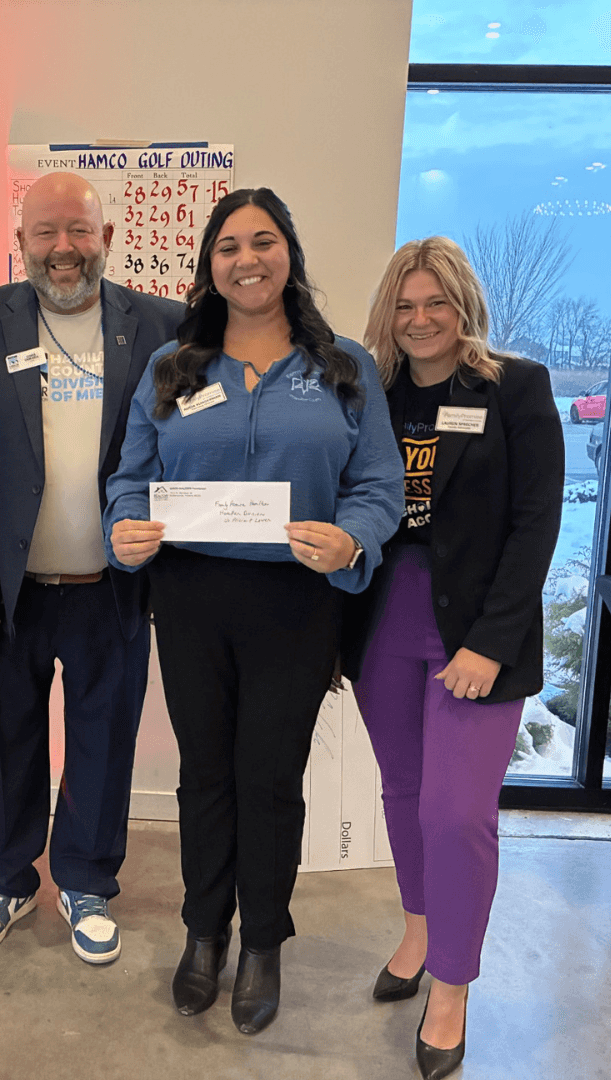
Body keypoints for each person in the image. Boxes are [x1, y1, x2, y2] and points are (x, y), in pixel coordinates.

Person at [104, 187, 404, 1034]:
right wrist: (124, 527)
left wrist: (352, 540)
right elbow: (130, 477)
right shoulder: (173, 368)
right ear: (210, 266)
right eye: (229, 246)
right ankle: (205, 931)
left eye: (264, 242)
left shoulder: (343, 366)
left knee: (269, 777)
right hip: (191, 598)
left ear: (289, 256)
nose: (248, 259)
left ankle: (263, 939)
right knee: (204, 772)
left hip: (296, 600)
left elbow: (380, 485)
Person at [0, 172, 182, 964]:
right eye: (45, 232)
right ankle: (3, 880)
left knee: (104, 738)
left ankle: (86, 881)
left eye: (78, 230)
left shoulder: (162, 325)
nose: (62, 247)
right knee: (2, 737)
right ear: (22, 241)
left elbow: (184, 451)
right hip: (7, 590)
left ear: (107, 238)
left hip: (113, 587)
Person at [343, 236, 564, 1079]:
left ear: (464, 304)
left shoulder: (516, 388)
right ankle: (419, 930)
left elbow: (536, 522)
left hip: (477, 628)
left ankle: (452, 985)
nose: (421, 318)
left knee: (456, 813)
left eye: (436, 301)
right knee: (403, 793)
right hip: (384, 618)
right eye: (405, 305)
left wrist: (490, 643)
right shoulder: (371, 393)